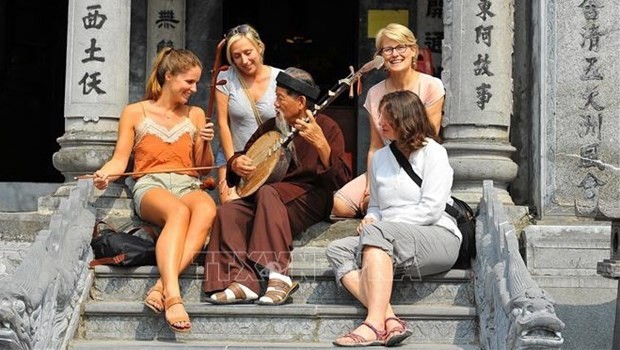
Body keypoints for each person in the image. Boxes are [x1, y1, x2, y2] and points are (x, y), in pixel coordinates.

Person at [92, 47, 217, 333]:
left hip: (188, 182)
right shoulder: (135, 111)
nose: (194, 89)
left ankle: (161, 284)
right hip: (152, 183)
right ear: (169, 76)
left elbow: (203, 169)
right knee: (177, 212)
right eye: (189, 82)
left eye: (197, 83)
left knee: (207, 208)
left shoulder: (196, 114)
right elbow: (120, 160)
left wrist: (206, 142)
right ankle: (174, 295)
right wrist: (104, 176)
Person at [203, 67, 352, 305]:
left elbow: (341, 178)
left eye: (281, 97)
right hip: (268, 198)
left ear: (301, 101)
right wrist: (236, 163)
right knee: (229, 212)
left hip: (309, 197)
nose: (275, 103)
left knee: (268, 192)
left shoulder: (327, 126)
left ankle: (279, 276)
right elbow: (246, 155)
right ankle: (244, 281)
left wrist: (322, 144)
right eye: (276, 96)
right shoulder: (271, 126)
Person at [326, 90, 461, 347]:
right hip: (389, 239)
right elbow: (376, 206)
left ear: (407, 118)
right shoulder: (379, 159)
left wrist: (382, 226)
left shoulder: (433, 153)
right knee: (337, 250)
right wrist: (371, 219)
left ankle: (372, 325)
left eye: (389, 117)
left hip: (438, 236)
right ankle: (389, 319)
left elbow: (432, 209)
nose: (381, 123)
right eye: (380, 116)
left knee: (378, 234)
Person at [332, 23, 446, 218]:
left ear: (413, 51)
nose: (395, 54)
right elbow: (375, 147)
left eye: (401, 47)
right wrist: (370, 185)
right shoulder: (375, 93)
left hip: (418, 164)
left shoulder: (431, 86)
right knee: (341, 205)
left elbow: (428, 136)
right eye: (388, 49)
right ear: (380, 56)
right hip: (386, 162)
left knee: (377, 204)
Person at [215, 23, 282, 204]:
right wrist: (232, 162)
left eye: (248, 52)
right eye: (236, 56)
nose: (244, 61)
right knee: (230, 208)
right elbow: (223, 123)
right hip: (234, 154)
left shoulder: (281, 78)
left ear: (259, 48)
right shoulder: (225, 77)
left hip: (269, 158)